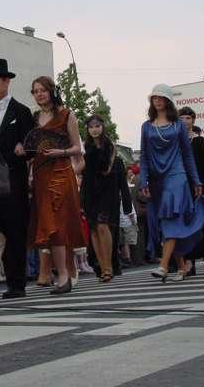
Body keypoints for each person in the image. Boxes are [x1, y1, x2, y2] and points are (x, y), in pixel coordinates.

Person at [139, 84, 204, 282]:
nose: (157, 100)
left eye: (161, 97)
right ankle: (181, 266)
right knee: (165, 223)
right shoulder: (147, 126)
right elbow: (143, 156)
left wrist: (195, 180)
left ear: (168, 100)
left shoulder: (178, 125)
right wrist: (143, 180)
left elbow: (187, 155)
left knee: (170, 220)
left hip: (177, 175)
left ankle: (163, 266)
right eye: (154, 97)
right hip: (156, 178)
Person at [0, 58, 34, 299]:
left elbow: (30, 148)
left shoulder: (21, 112)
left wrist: (9, 155)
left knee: (14, 232)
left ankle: (16, 283)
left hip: (13, 180)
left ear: (6, 82)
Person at [29, 76, 85, 295]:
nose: (39, 94)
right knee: (48, 225)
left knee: (58, 223)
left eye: (43, 90)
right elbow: (32, 148)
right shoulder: (35, 118)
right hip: (41, 175)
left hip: (61, 172)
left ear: (51, 91)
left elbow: (77, 148)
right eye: (35, 91)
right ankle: (64, 272)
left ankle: (63, 275)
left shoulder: (67, 115)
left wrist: (60, 152)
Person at [81, 115, 133, 282]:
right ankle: (102, 267)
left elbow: (106, 169)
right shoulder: (85, 147)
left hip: (106, 191)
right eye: (91, 126)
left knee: (103, 226)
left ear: (102, 127)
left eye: (97, 126)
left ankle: (109, 267)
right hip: (89, 190)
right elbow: (82, 170)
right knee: (94, 229)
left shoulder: (109, 146)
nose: (94, 129)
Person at [178, 106, 204, 275]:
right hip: (182, 187)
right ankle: (189, 260)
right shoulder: (175, 142)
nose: (185, 121)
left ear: (193, 120)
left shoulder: (199, 141)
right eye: (182, 118)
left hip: (202, 186)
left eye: (188, 118)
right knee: (187, 225)